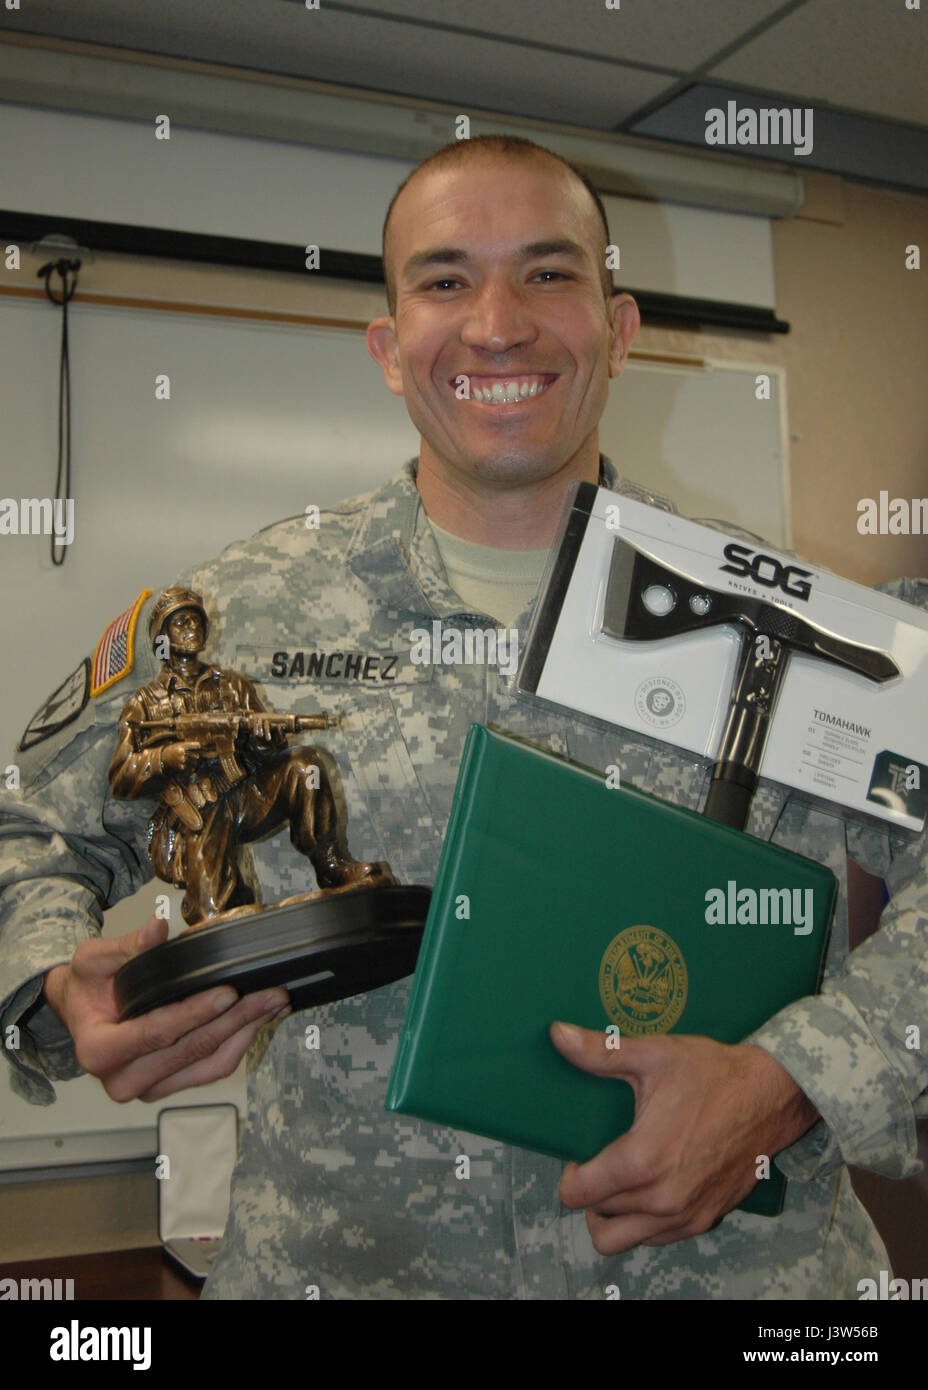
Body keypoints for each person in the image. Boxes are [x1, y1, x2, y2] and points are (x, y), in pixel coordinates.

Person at [1, 135, 925, 1299]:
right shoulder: (233, 617)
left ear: (619, 327)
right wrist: (53, 982)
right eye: (444, 280)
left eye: (548, 273)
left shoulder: (781, 628)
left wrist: (797, 1077)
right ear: (390, 348)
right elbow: (23, 821)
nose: (497, 324)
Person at [109, 587, 385, 924]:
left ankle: (330, 865)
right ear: (162, 638)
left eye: (196, 621)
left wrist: (266, 741)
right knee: (212, 916)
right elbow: (121, 776)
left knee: (305, 765)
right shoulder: (145, 704)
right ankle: (229, 905)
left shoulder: (232, 685)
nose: (192, 629)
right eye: (181, 623)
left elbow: (266, 755)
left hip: (246, 793)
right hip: (198, 807)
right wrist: (165, 758)